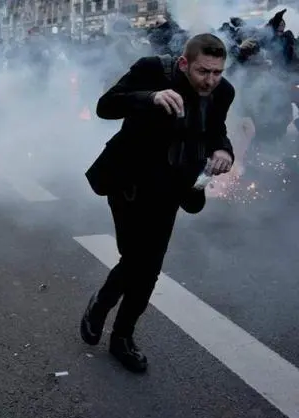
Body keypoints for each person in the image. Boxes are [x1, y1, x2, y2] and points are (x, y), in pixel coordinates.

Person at [81, 33, 235, 373]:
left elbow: (215, 130)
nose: (210, 80)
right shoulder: (153, 70)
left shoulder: (223, 92)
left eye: (217, 72)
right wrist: (149, 97)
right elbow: (105, 106)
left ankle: (122, 337)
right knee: (137, 258)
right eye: (202, 71)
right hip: (130, 182)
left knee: (149, 266)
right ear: (184, 64)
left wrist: (224, 150)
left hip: (173, 186)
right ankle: (101, 304)